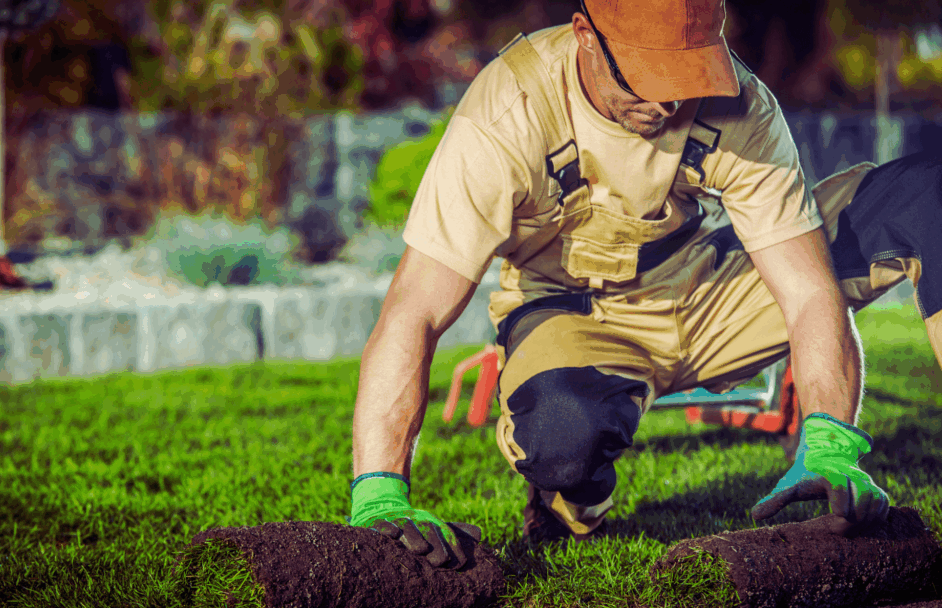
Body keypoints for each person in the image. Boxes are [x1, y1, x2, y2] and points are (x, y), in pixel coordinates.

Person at [347, 0, 942, 567]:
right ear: (585, 34)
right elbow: (416, 309)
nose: (666, 101)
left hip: (708, 289)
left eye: (686, 75)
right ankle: (568, 500)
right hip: (574, 315)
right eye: (646, 76)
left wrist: (830, 443)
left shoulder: (742, 105)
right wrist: (379, 490)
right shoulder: (509, 110)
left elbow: (809, 291)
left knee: (926, 195)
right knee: (560, 437)